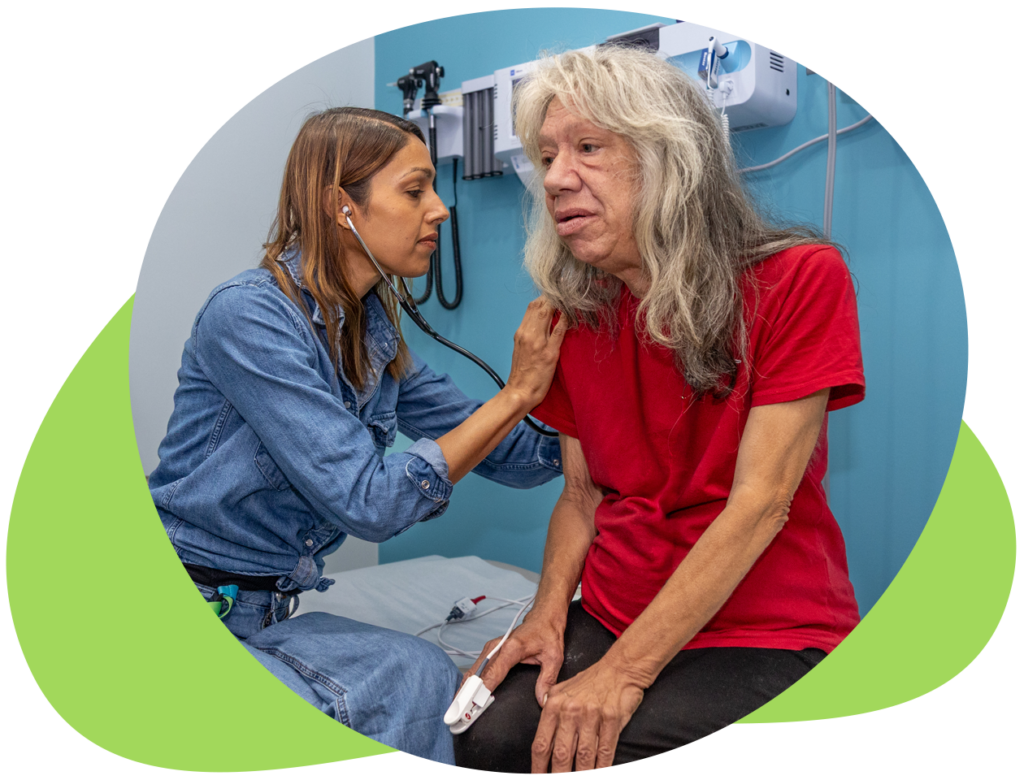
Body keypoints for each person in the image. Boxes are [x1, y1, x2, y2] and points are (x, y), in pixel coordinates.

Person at [453, 46, 865, 772]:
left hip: (764, 624)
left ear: (670, 158)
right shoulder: (575, 314)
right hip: (614, 607)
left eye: (587, 148)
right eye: (546, 157)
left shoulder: (800, 279)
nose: (556, 178)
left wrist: (622, 675)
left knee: (589, 752)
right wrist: (546, 615)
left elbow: (761, 505)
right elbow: (580, 495)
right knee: (485, 737)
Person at [146, 107, 569, 766]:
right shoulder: (249, 316)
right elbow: (368, 502)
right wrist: (517, 394)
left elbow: (513, 457)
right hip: (188, 606)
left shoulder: (371, 333)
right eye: (415, 190)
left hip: (267, 612)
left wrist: (590, 403)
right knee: (406, 685)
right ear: (340, 207)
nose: (440, 210)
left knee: (423, 677)